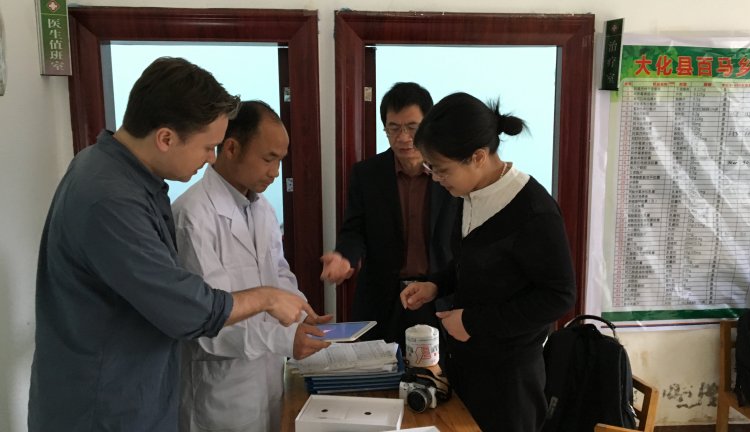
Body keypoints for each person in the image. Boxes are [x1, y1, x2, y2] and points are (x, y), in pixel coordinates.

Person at [29, 57, 317, 432]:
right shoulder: (109, 198)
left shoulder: (123, 178)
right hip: (104, 411)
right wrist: (266, 298)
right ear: (166, 138)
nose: (211, 158)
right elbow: (187, 309)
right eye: (207, 147)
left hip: (138, 396)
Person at [400, 92, 576, 432]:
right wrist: (436, 284)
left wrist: (474, 322)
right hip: (466, 365)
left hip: (509, 380)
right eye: (430, 168)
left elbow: (559, 296)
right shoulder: (468, 193)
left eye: (441, 169)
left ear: (478, 157)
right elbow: (472, 262)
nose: (435, 178)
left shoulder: (533, 211)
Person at [172, 100, 332, 432]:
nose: (275, 172)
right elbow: (207, 321)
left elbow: (278, 272)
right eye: (268, 159)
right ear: (231, 148)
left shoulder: (262, 208)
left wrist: (302, 312)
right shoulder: (192, 215)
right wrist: (284, 340)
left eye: (280, 161)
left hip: (268, 378)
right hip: (221, 393)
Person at [320, 82, 460, 348]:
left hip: (437, 295)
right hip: (382, 298)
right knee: (377, 370)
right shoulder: (367, 174)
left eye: (412, 127)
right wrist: (344, 257)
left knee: (437, 371)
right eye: (393, 128)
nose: (403, 138)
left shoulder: (450, 174)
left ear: (428, 126)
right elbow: (354, 230)